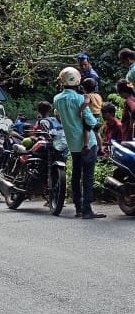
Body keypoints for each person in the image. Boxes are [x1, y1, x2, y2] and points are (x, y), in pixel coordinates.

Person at [53, 67, 105, 220]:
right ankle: (87, 209)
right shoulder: (80, 99)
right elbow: (90, 120)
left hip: (72, 143)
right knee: (88, 176)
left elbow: (59, 116)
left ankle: (78, 208)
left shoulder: (57, 99)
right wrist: (96, 122)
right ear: (77, 81)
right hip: (87, 144)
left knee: (76, 174)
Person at [79, 78, 104, 153]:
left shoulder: (87, 96)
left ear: (84, 88)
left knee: (86, 130)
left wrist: (80, 110)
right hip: (98, 115)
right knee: (97, 132)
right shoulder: (98, 96)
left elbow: (86, 102)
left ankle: (86, 145)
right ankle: (101, 148)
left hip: (91, 115)